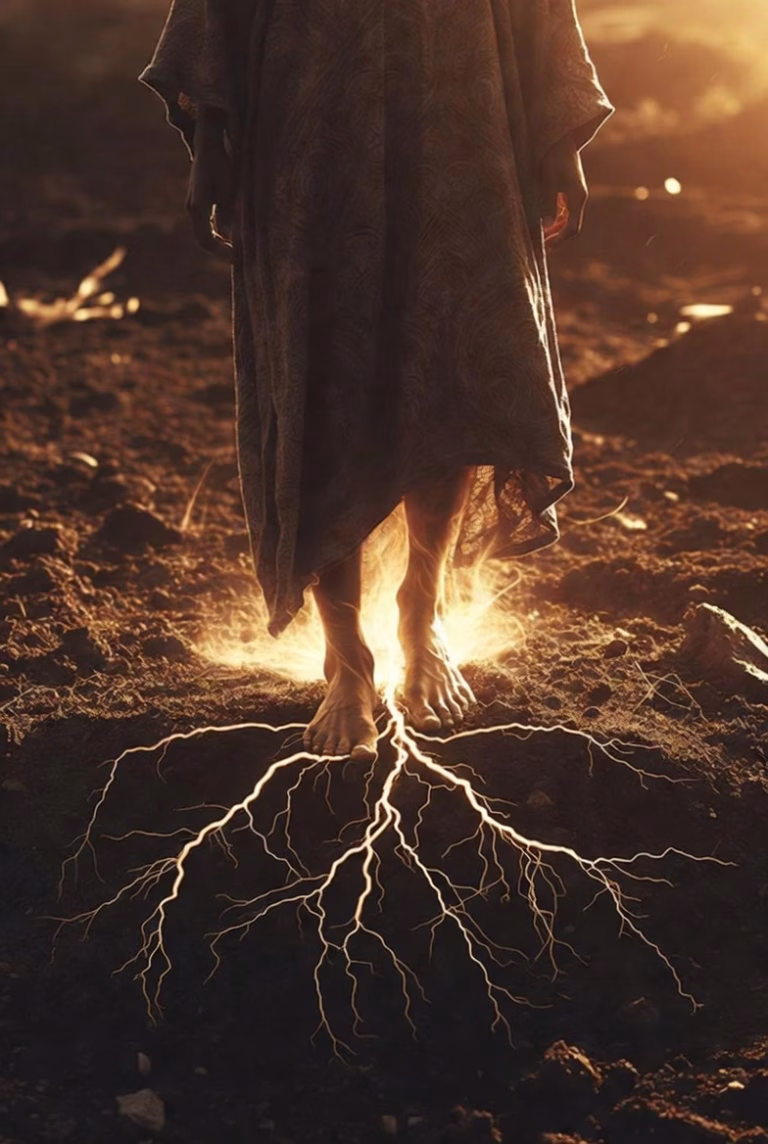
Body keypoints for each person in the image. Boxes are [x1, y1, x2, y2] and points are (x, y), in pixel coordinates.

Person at [141, 0, 612, 762]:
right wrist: (211, 137)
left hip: (460, 88)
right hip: (310, 101)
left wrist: (557, 129)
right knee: (324, 355)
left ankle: (421, 611)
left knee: (457, 343)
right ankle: (347, 657)